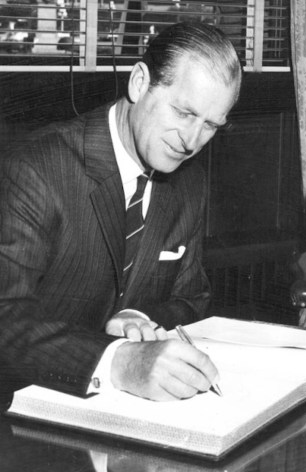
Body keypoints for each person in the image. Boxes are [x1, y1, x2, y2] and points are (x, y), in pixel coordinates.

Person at [0, 22, 242, 401]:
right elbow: (5, 319)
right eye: (183, 113)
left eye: (210, 125)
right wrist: (118, 360)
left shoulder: (189, 182)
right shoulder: (36, 169)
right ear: (139, 83)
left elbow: (191, 300)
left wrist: (138, 318)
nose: (191, 141)